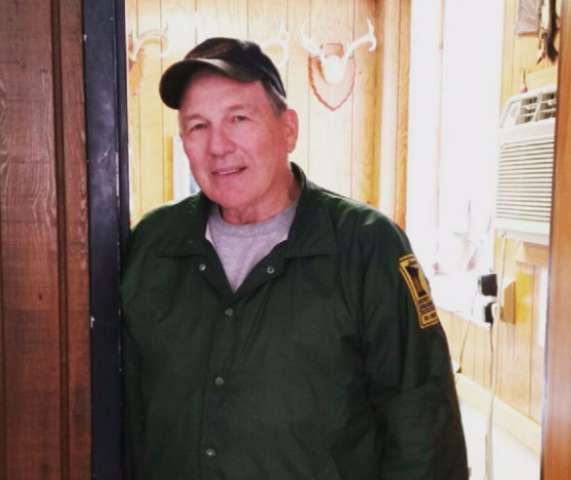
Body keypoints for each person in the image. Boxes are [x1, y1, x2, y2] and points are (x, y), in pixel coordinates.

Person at [121, 37, 468, 480]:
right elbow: (125, 412)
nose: (219, 146)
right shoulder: (151, 245)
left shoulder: (367, 246)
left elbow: (424, 423)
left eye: (239, 119)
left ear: (288, 129)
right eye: (198, 126)